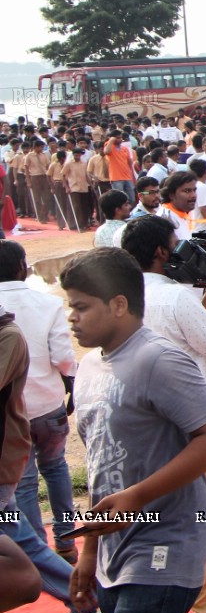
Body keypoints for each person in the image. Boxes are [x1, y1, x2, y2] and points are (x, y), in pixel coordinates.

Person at [62, 248, 206, 613]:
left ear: (119, 304)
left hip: (165, 551)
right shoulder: (90, 367)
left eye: (82, 306)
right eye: (69, 306)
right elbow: (100, 467)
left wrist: (138, 496)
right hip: (114, 555)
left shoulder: (159, 359)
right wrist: (90, 551)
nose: (71, 317)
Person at [119, 217, 206, 613]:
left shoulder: (126, 297)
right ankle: (166, 584)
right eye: (176, 245)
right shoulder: (175, 299)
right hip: (203, 434)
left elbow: (185, 335)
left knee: (187, 523)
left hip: (155, 437)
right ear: (162, 252)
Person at [0, 241, 78, 562]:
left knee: (25, 483)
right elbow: (62, 356)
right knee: (56, 467)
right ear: (23, 266)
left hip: (10, 413)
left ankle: (37, 552)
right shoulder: (47, 304)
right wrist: (70, 384)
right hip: (49, 404)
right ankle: (67, 540)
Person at [158, 171, 202, 242]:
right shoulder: (165, 219)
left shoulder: (181, 213)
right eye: (187, 191)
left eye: (194, 190)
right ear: (171, 195)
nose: (193, 195)